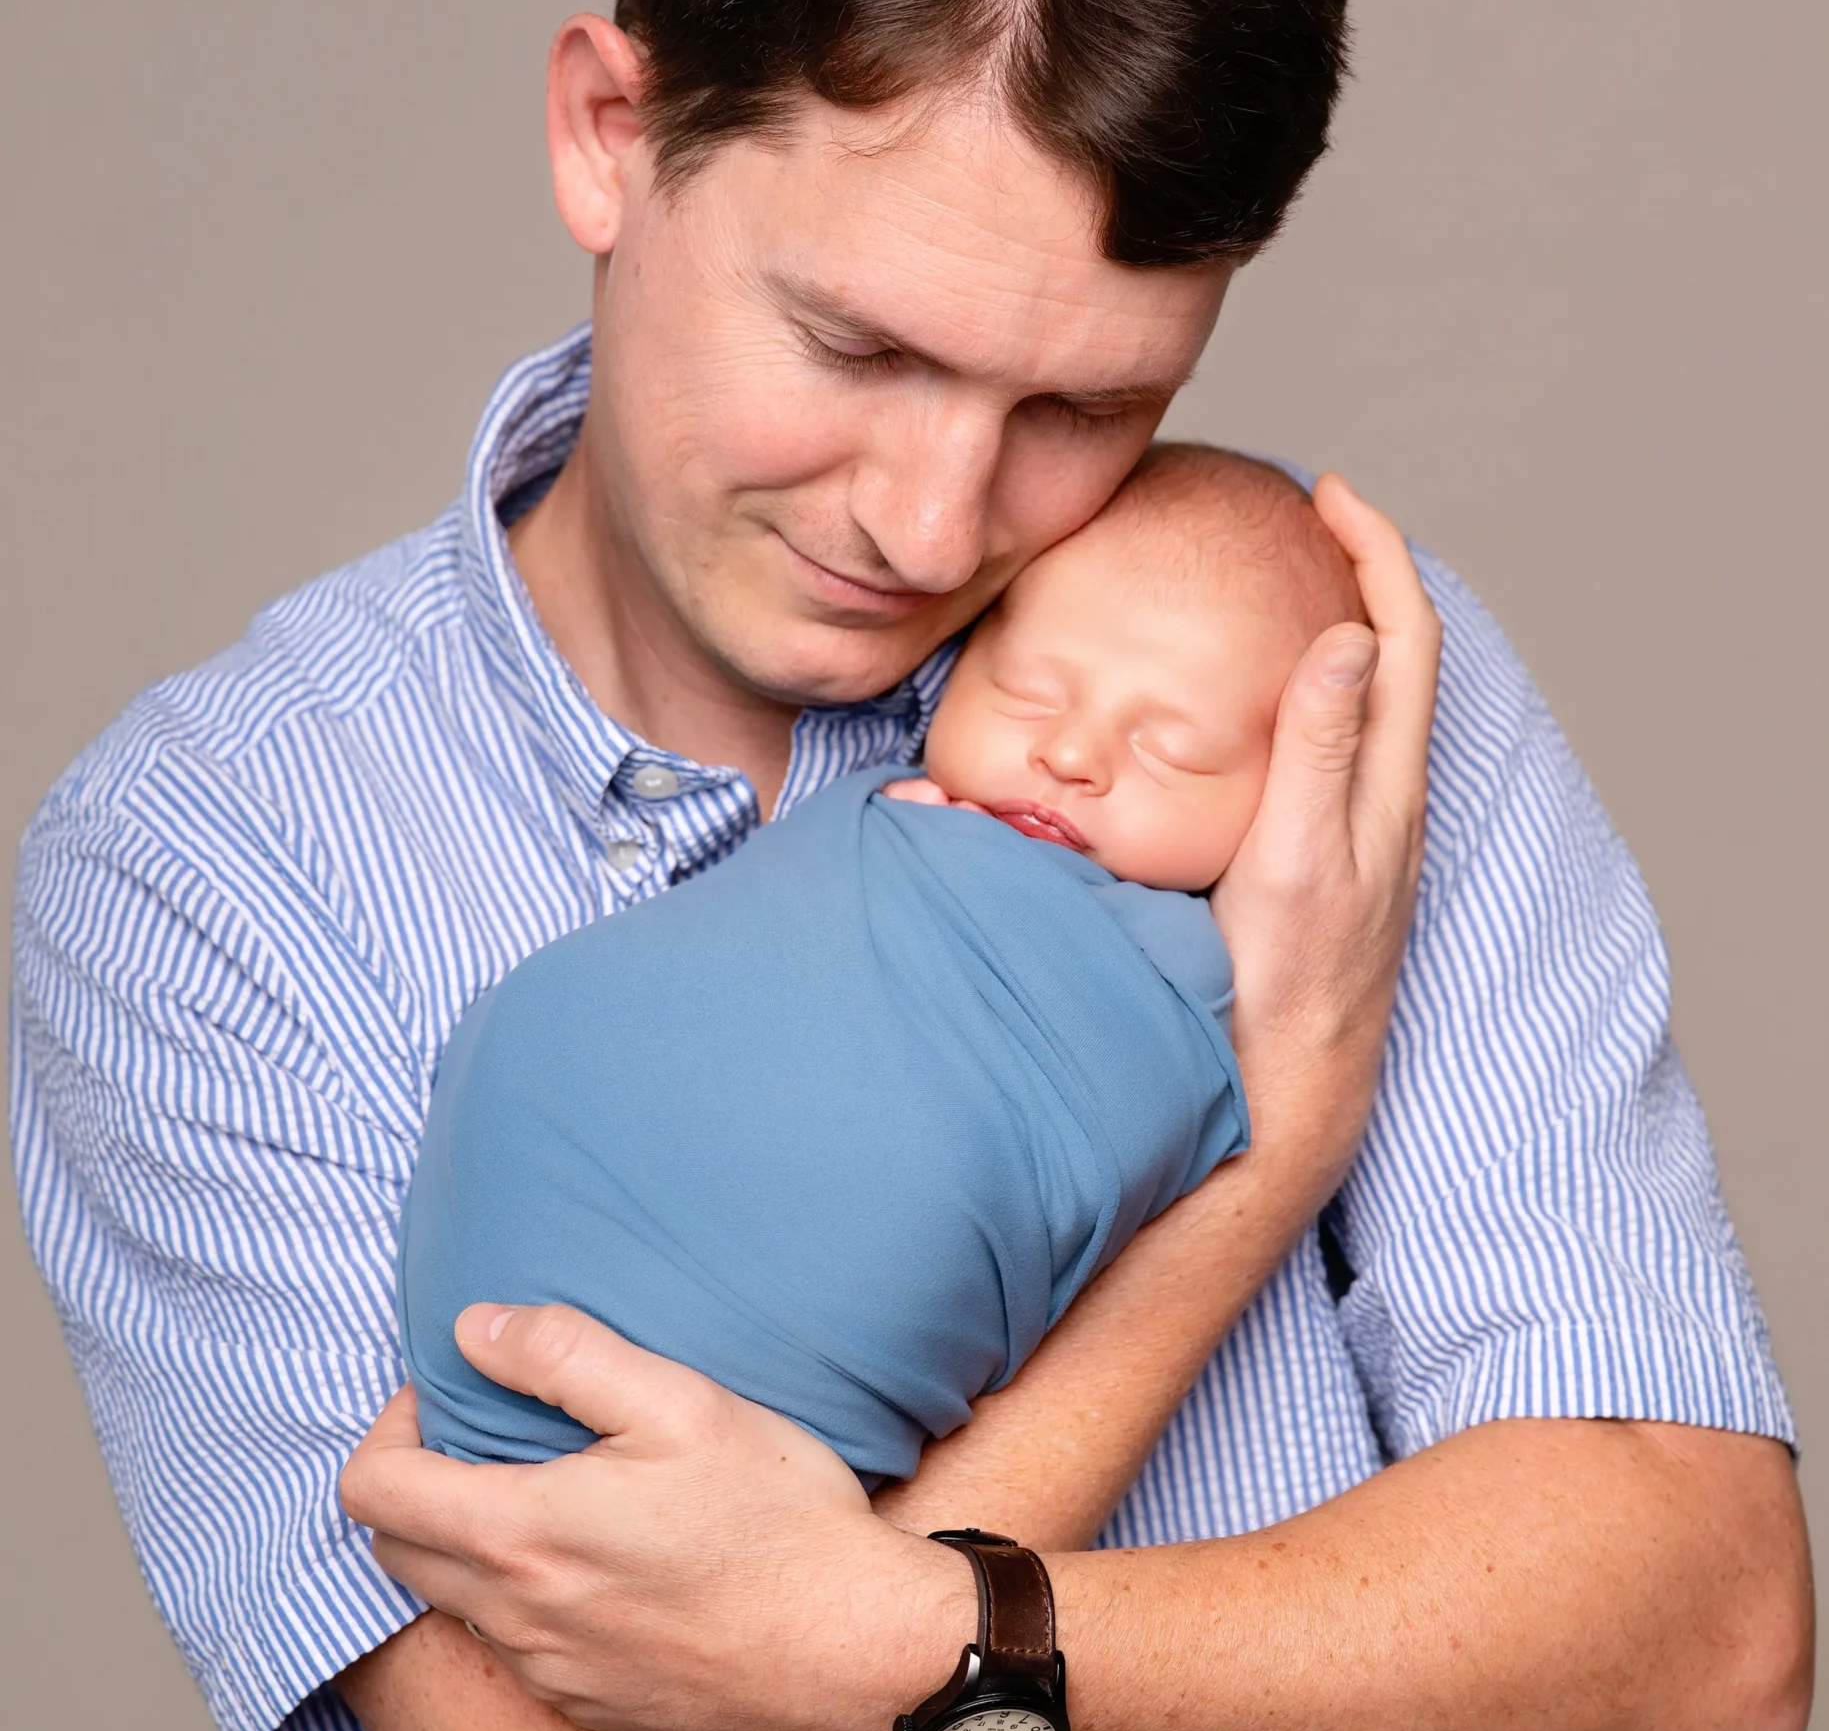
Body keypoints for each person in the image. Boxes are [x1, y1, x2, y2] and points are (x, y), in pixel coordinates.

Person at [9, 0, 1807, 1731]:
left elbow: (1704, 1628)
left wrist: (918, 1626)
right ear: (609, 134)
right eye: (853, 346)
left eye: (1084, 399)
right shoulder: (207, 866)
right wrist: (1242, 1176)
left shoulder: (1319, 683)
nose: (933, 516)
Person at [400, 449, 1345, 1487]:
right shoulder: (882, 810)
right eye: (1026, 691)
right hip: (527, 1255)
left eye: (1175, 750)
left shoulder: (1186, 959)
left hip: (789, 1396)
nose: (1072, 754)